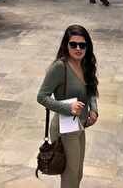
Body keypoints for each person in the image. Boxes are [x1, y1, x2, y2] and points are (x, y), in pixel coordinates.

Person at [35, 25, 99, 188]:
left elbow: (91, 89)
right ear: (66, 45)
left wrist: (94, 109)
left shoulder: (85, 64)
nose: (78, 48)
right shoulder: (59, 67)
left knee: (78, 173)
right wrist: (68, 108)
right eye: (73, 44)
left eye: (82, 45)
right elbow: (41, 97)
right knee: (70, 176)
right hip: (64, 128)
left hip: (79, 125)